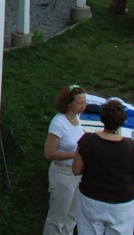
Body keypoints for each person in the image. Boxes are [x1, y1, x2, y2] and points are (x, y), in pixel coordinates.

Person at [72, 98, 134, 235]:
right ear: (122, 121)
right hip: (121, 205)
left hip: (91, 199)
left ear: (102, 118)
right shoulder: (132, 147)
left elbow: (76, 170)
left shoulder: (87, 141)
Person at [43, 84, 87, 235]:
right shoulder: (58, 124)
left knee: (72, 216)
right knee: (58, 217)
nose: (83, 107)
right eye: (80, 103)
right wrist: (75, 155)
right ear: (69, 103)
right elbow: (49, 153)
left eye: (84, 103)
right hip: (62, 174)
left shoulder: (77, 119)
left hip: (76, 174)